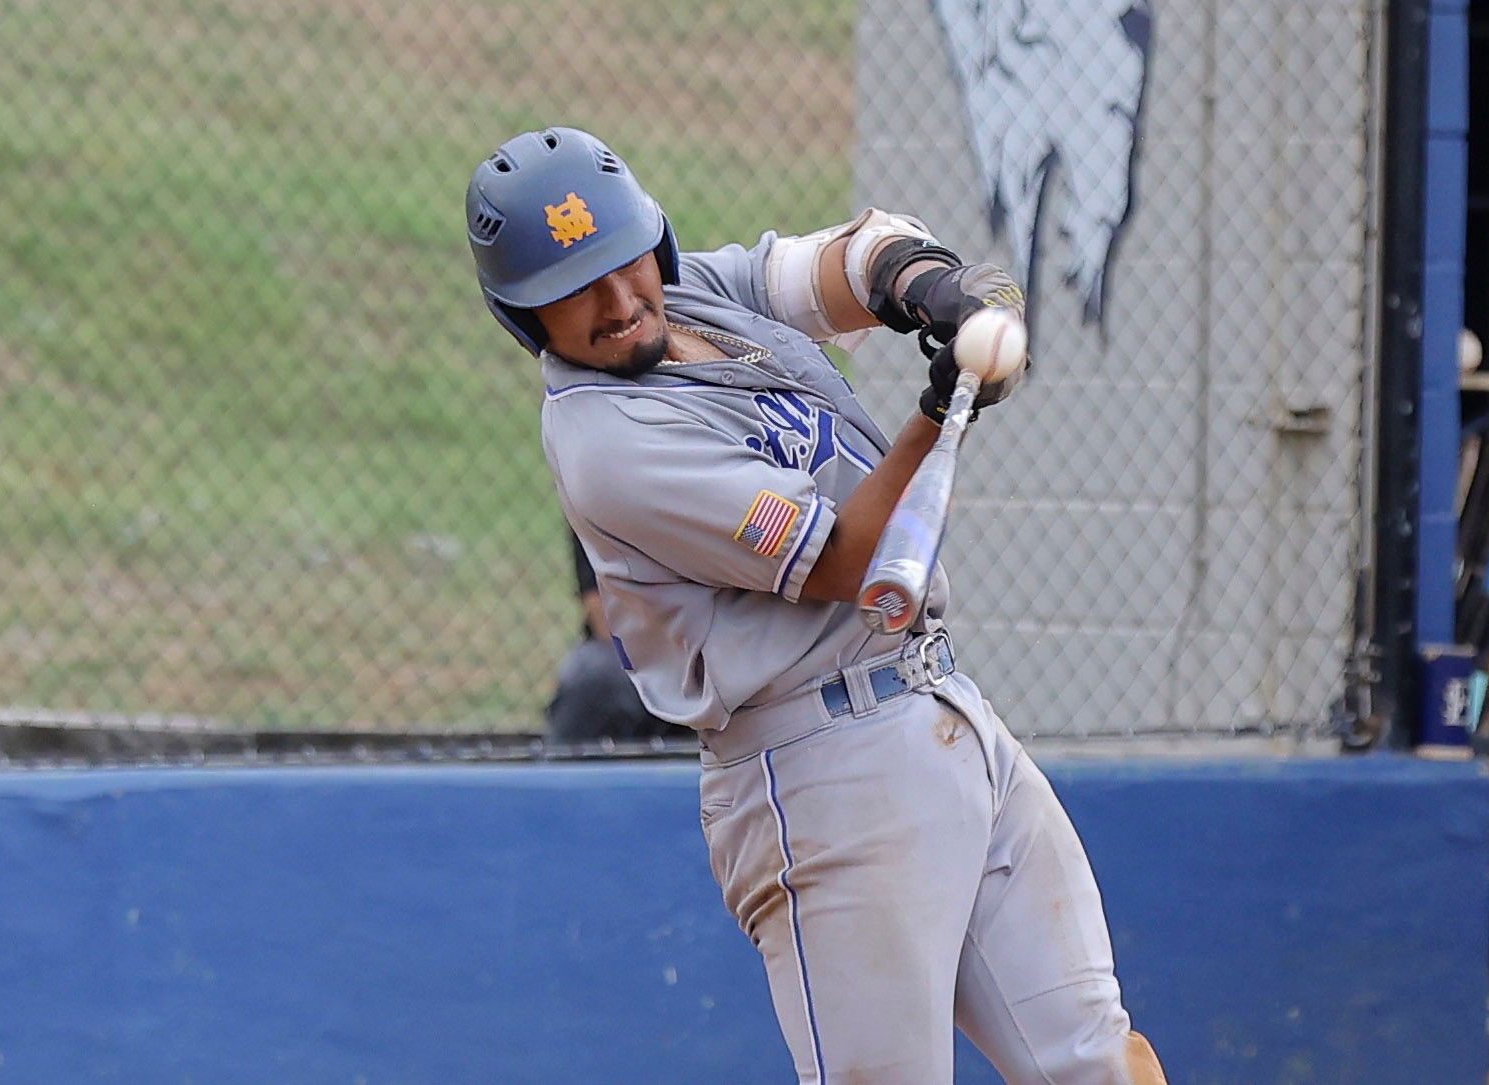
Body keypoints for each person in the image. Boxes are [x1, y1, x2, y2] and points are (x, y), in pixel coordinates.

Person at [466, 127, 1167, 1084]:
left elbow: (835, 263)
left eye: (624, 262)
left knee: (1096, 1060)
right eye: (573, 290)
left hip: (942, 709)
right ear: (524, 316)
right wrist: (943, 406)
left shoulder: (697, 293)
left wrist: (927, 286)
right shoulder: (608, 443)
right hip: (820, 770)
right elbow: (849, 559)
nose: (620, 302)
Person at [546, 527, 680, 743]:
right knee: (595, 679)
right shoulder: (596, 500)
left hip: (714, 645)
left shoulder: (734, 504)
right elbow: (605, 618)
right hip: (631, 653)